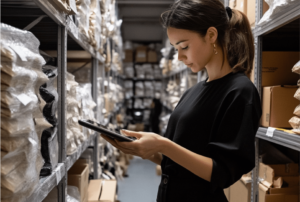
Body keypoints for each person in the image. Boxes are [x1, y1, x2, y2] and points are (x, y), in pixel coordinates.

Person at [101, 0, 262, 201]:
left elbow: (222, 173)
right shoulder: (193, 92)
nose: (179, 57)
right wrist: (147, 150)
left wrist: (163, 144)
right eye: (175, 48)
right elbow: (175, 162)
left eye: (184, 46)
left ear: (211, 35)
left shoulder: (240, 91)